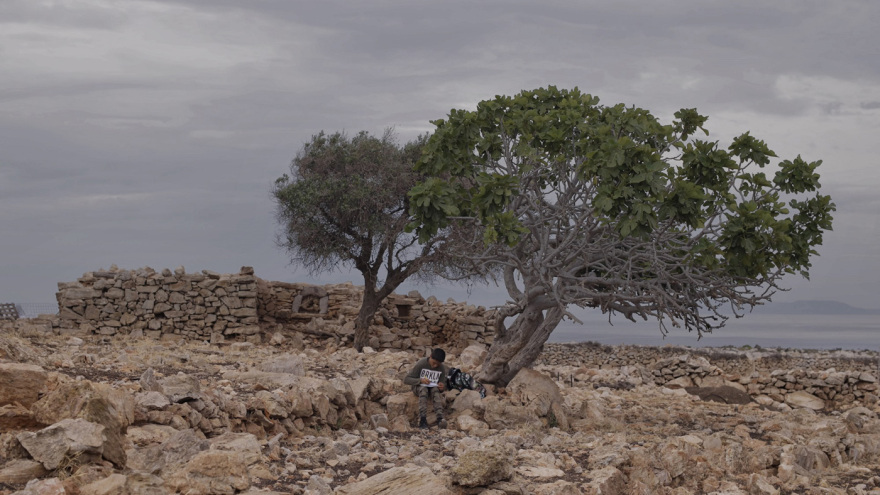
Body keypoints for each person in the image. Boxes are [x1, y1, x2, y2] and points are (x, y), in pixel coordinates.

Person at [403, 348, 448, 429]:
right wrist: (420, 381)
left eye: (438, 364)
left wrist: (441, 387)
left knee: (435, 390)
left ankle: (440, 418)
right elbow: (406, 379)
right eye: (434, 363)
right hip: (419, 388)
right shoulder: (421, 364)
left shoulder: (441, 368)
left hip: (432, 388)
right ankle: (423, 419)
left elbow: (442, 385)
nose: (435, 366)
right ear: (430, 356)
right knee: (423, 389)